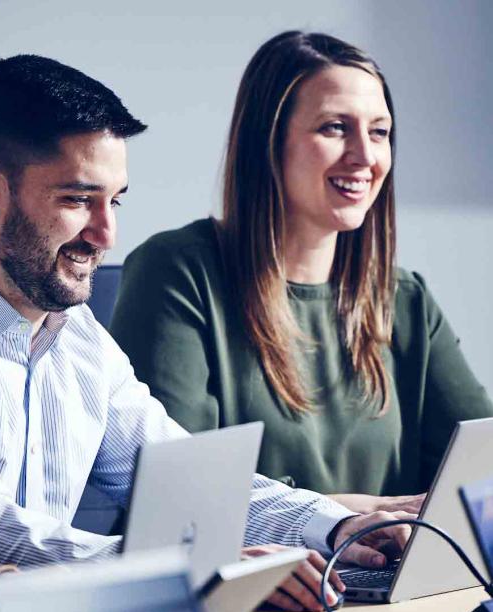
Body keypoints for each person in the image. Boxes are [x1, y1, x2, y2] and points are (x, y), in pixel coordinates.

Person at [0, 54, 409, 612]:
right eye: (78, 199)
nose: (106, 234)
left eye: (115, 200)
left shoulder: (74, 335)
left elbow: (188, 483)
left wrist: (335, 527)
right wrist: (185, 570)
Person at [110, 31, 493, 517]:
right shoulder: (179, 272)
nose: (365, 156)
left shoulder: (404, 299)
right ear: (267, 143)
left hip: (389, 588)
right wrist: (349, 520)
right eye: (335, 128)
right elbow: (178, 503)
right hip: (247, 588)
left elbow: (481, 474)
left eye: (379, 132)